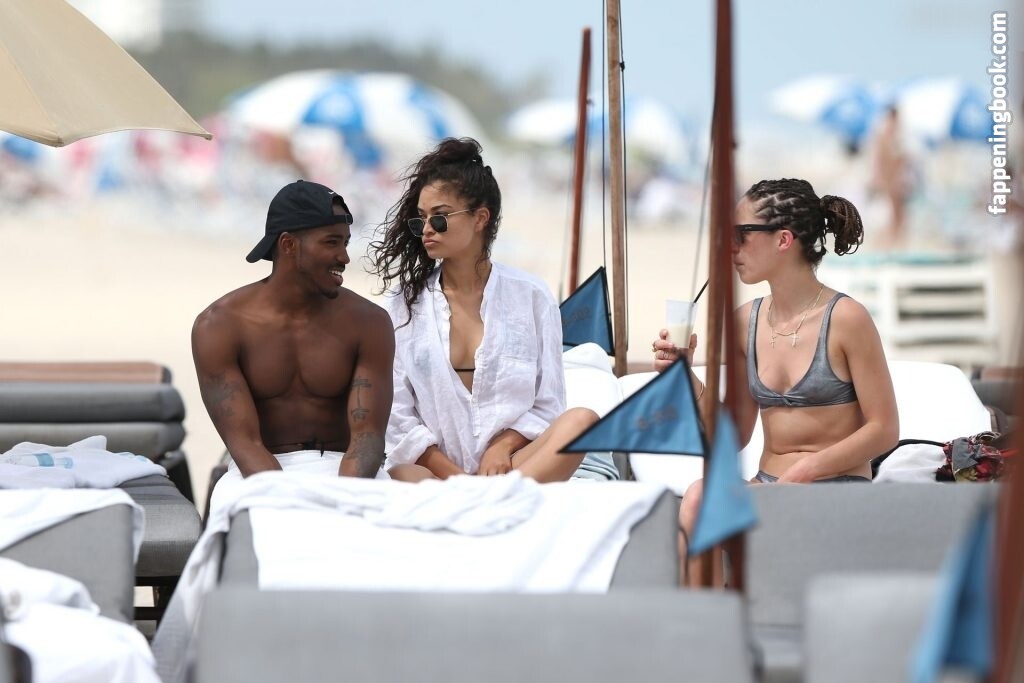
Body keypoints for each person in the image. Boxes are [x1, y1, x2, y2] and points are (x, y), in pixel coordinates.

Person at [652, 178, 899, 581]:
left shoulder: (846, 319)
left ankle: (706, 614)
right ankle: (705, 615)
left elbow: (884, 429)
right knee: (700, 497)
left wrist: (807, 470)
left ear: (784, 239)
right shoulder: (744, 322)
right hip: (768, 487)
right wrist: (686, 377)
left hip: (837, 488)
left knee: (702, 500)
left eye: (741, 235)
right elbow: (734, 435)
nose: (731, 247)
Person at [369, 138, 598, 482]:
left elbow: (548, 403)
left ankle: (490, 499)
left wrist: (502, 447)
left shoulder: (532, 296)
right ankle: (490, 501)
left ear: (480, 218)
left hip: (514, 466)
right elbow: (399, 417)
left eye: (440, 217)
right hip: (438, 477)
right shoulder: (402, 305)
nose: (427, 229)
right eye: (421, 220)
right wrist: (459, 480)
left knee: (582, 421)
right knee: (403, 472)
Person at [193, 179, 399, 481]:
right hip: (257, 474)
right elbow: (244, 442)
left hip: (347, 472)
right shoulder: (219, 326)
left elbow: (367, 438)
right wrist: (287, 497)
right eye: (331, 242)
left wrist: (343, 497)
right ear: (288, 244)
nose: (344, 257)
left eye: (345, 243)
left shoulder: (370, 323)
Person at [869, 106, 913, 247]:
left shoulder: (892, 136)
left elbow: (887, 161)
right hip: (890, 181)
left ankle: (892, 245)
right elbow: (882, 160)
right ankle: (888, 245)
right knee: (892, 216)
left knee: (898, 216)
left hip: (894, 181)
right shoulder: (885, 137)